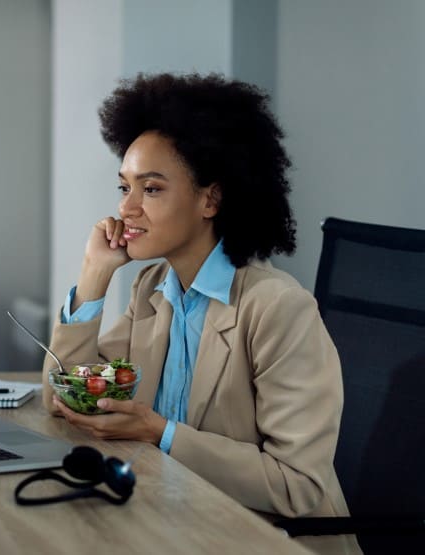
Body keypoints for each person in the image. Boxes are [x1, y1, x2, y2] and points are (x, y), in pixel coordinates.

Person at [41, 73, 353, 527]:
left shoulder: (279, 308)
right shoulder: (152, 289)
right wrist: (94, 276)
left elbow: (297, 484)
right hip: (173, 521)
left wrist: (159, 432)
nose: (127, 209)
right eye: (124, 187)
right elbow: (62, 398)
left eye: (151, 189)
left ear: (211, 200)